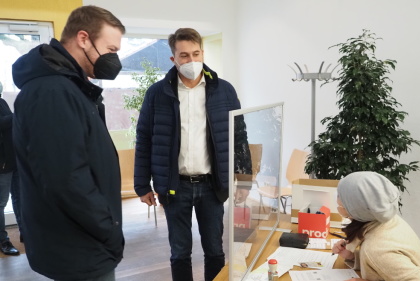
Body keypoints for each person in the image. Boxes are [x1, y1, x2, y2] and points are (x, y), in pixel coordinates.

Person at [11, 5, 125, 281]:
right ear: (83, 38)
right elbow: (66, 180)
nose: (114, 59)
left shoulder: (68, 86)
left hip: (81, 240)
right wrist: (108, 230)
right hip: (79, 245)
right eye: (110, 50)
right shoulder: (52, 92)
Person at [134, 27, 251, 281]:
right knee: (179, 252)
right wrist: (142, 184)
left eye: (196, 54)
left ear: (203, 52)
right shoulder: (157, 94)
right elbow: (144, 140)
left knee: (215, 251)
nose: (192, 61)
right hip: (175, 186)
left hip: (212, 185)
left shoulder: (224, 91)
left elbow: (239, 136)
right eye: (184, 55)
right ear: (173, 59)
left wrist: (245, 178)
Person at [331, 171, 420, 281]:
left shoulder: (377, 249)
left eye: (341, 201)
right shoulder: (387, 219)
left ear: (356, 210)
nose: (337, 198)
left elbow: (382, 256)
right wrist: (353, 256)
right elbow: (385, 264)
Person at [0, 82, 19, 256]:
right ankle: (3, 241)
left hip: (13, 161)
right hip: (3, 164)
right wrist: (18, 114)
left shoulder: (2, 102)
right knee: (0, 203)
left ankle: (26, 233)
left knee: (20, 198)